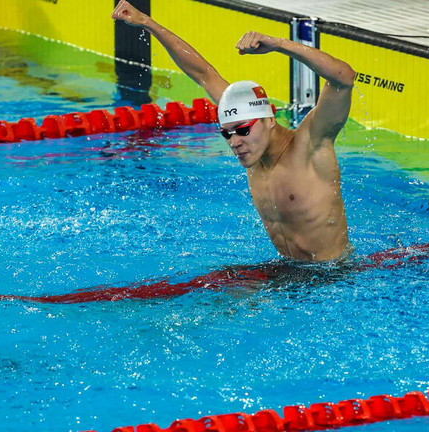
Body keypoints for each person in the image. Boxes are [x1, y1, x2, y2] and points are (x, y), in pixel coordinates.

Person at [111, 1, 356, 262]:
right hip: (289, 273)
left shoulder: (311, 145)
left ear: (269, 119)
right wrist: (147, 22)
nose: (234, 142)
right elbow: (202, 73)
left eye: (242, 131)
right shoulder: (250, 138)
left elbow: (344, 78)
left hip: (333, 277)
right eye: (227, 133)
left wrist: (279, 44)